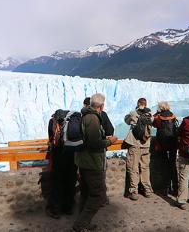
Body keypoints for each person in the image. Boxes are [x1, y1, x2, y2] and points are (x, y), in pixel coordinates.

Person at [73, 94, 118, 232]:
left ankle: (83, 223)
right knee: (98, 196)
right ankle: (80, 223)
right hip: (92, 163)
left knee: (86, 193)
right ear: (101, 106)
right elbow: (94, 144)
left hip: (84, 161)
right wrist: (110, 141)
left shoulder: (87, 116)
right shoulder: (92, 119)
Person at [46, 110, 78, 219]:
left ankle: (55, 211)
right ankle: (68, 208)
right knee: (70, 182)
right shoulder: (72, 121)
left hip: (58, 158)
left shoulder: (52, 122)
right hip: (72, 157)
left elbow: (51, 139)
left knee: (57, 184)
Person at [124, 98, 153, 200]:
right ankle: (147, 190)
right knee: (145, 168)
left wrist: (135, 111)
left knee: (133, 167)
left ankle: (134, 191)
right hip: (146, 144)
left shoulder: (133, 113)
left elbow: (126, 120)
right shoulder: (150, 115)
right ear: (146, 104)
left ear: (138, 104)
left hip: (135, 144)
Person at [152, 101, 179, 196]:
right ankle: (176, 188)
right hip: (173, 143)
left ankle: (165, 189)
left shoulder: (158, 117)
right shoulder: (173, 116)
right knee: (173, 165)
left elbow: (153, 122)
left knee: (164, 166)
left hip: (162, 144)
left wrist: (157, 113)